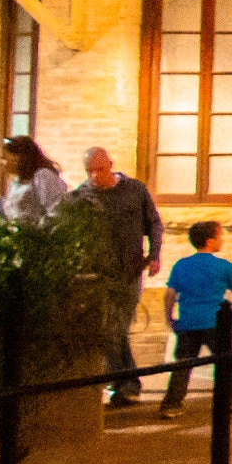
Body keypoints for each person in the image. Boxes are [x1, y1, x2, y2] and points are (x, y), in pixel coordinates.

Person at [70, 146, 163, 406]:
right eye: (90, 171)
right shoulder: (83, 196)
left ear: (110, 165)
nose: (95, 176)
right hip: (99, 273)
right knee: (111, 330)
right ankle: (126, 383)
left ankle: (125, 382)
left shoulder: (134, 190)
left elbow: (153, 222)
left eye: (100, 169)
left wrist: (155, 254)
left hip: (129, 271)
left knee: (116, 328)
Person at [156, 220, 232, 419]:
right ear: (210, 241)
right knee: (225, 362)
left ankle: (171, 405)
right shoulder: (223, 266)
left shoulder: (181, 265)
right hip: (215, 322)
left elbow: (170, 293)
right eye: (219, 236)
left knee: (182, 365)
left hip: (188, 322)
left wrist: (169, 318)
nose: (222, 240)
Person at [0, 136, 67, 225]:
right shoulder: (16, 182)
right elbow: (9, 211)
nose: (2, 162)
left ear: (18, 158)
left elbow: (55, 210)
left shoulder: (42, 175)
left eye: (5, 158)